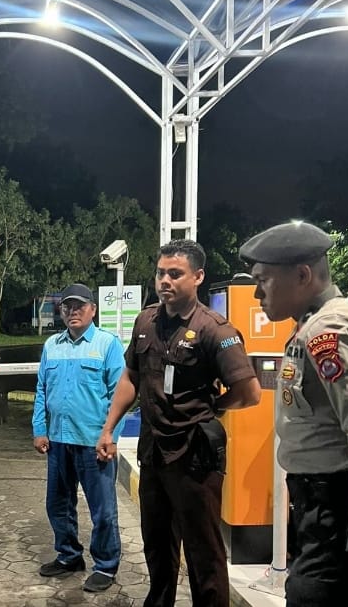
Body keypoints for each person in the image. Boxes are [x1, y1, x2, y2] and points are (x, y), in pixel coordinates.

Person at [96, 239, 261, 607]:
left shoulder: (215, 330)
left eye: (175, 274)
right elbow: (130, 377)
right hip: (154, 453)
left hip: (194, 457)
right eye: (160, 273)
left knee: (204, 553)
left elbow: (249, 392)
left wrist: (212, 408)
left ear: (198, 277)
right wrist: (108, 429)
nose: (164, 281)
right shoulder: (146, 321)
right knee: (156, 545)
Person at [239, 221, 348, 607]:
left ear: (302, 276)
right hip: (317, 507)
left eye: (263, 280)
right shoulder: (310, 326)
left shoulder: (329, 331)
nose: (256, 293)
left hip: (336, 509)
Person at [33, 283, 125, 593]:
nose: (72, 311)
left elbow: (120, 394)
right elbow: (42, 389)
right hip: (58, 441)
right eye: (67, 306)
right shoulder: (52, 345)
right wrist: (39, 429)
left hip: (93, 442)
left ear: (93, 310)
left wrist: (111, 436)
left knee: (103, 510)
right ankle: (69, 556)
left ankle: (106, 566)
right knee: (57, 505)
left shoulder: (107, 344)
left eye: (79, 306)